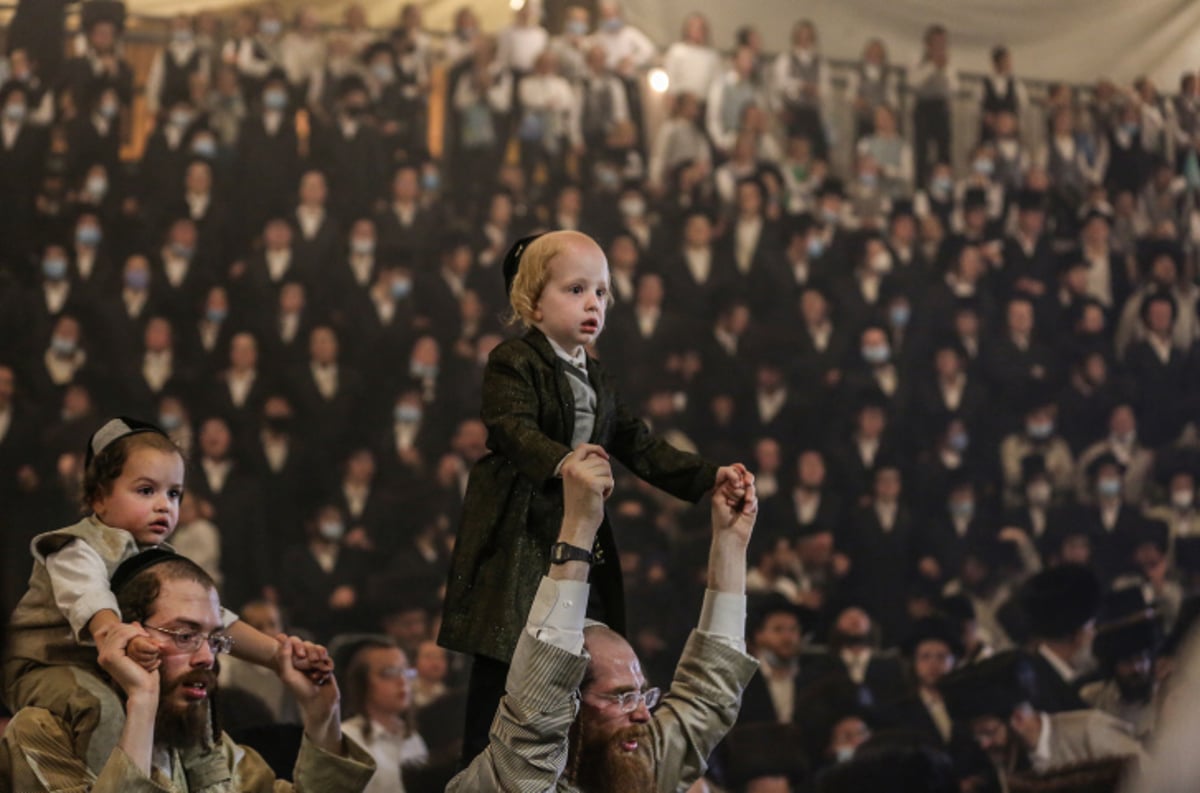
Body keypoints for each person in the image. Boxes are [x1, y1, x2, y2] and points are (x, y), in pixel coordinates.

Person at [439, 230, 750, 765]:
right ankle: (488, 770)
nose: (593, 304)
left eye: (602, 293)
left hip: (582, 530)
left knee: (585, 646)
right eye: (576, 289)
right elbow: (510, 427)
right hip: (523, 532)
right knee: (512, 659)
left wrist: (707, 477)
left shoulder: (597, 376)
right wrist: (563, 464)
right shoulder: (514, 360)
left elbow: (640, 445)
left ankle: (586, 757)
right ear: (532, 301)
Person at [2, 417, 331, 773]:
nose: (164, 505)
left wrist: (277, 656)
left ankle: (207, 780)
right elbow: (90, 599)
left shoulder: (164, 561)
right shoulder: (76, 548)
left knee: (195, 706)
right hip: (48, 665)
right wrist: (119, 636)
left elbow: (218, 620)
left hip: (114, 667)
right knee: (102, 707)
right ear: (99, 498)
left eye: (174, 493)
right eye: (146, 491)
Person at [447, 443, 760, 791]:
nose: (642, 713)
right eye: (622, 697)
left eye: (643, 695)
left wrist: (731, 542)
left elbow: (709, 696)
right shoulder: (508, 778)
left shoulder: (633, 766)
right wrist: (579, 525)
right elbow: (538, 706)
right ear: (571, 704)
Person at [0, 552, 376, 791]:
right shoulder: (43, 733)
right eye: (184, 635)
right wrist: (142, 700)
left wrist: (322, 715)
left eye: (213, 639)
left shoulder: (208, 750)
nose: (207, 658)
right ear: (127, 634)